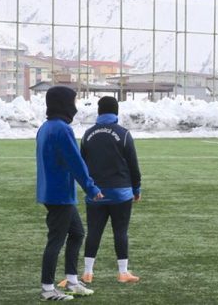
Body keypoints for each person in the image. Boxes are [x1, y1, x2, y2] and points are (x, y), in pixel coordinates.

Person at [36, 86, 103, 301]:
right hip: (59, 194)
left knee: (76, 233)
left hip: (51, 191)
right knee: (56, 240)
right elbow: (75, 162)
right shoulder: (62, 129)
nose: (75, 106)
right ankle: (47, 289)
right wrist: (91, 187)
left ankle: (72, 281)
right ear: (63, 103)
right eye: (73, 102)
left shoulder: (46, 127)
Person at [77, 96, 142, 285]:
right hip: (121, 193)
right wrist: (136, 188)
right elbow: (133, 165)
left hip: (95, 193)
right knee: (120, 232)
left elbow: (82, 165)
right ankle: (123, 272)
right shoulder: (124, 134)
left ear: (99, 112)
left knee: (94, 232)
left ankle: (88, 272)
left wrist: (88, 188)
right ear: (116, 113)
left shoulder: (88, 135)